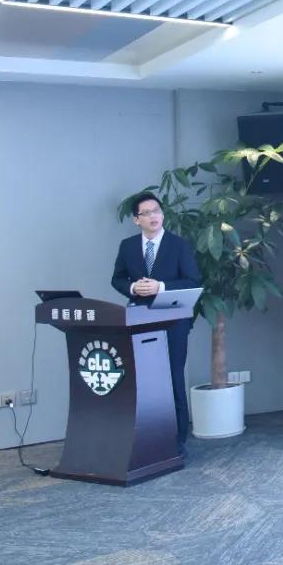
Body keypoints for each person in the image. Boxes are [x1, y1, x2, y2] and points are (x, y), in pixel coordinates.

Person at [111, 192, 201, 457]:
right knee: (142, 381)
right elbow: (117, 279)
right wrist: (132, 287)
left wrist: (160, 287)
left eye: (157, 211)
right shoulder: (128, 246)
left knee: (173, 377)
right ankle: (146, 437)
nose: (154, 216)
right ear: (136, 219)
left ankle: (177, 440)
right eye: (147, 213)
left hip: (174, 322)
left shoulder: (178, 244)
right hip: (140, 320)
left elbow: (193, 280)